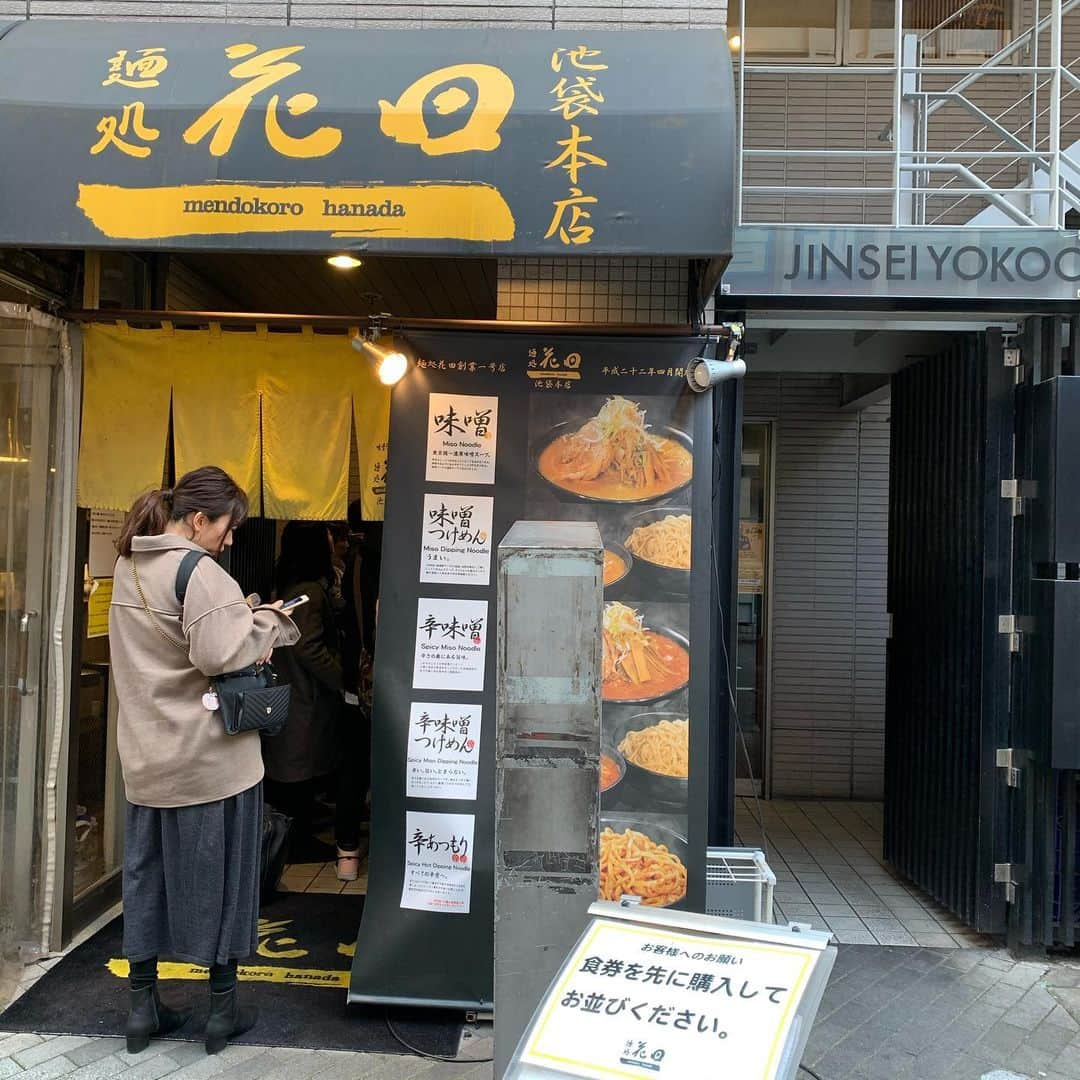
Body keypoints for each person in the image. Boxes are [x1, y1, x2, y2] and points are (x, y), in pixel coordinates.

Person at [109, 466, 299, 1056]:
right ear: (199, 520)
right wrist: (267, 618)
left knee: (144, 878)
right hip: (213, 764)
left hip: (146, 758)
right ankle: (220, 1013)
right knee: (226, 880)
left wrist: (233, 612)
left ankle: (143, 1008)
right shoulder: (201, 571)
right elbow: (219, 652)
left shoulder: (127, 565)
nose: (231, 538)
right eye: (228, 526)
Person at [262, 522, 343, 861]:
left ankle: (291, 835)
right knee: (298, 766)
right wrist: (342, 677)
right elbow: (307, 647)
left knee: (288, 764)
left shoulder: (285, 583)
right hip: (301, 691)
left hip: (284, 687)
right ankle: (295, 841)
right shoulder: (310, 590)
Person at [335, 502, 382, 881]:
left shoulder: (357, 564)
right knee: (392, 765)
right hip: (400, 683)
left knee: (353, 764)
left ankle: (347, 855)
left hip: (357, 681)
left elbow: (348, 621)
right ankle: (389, 848)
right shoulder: (404, 558)